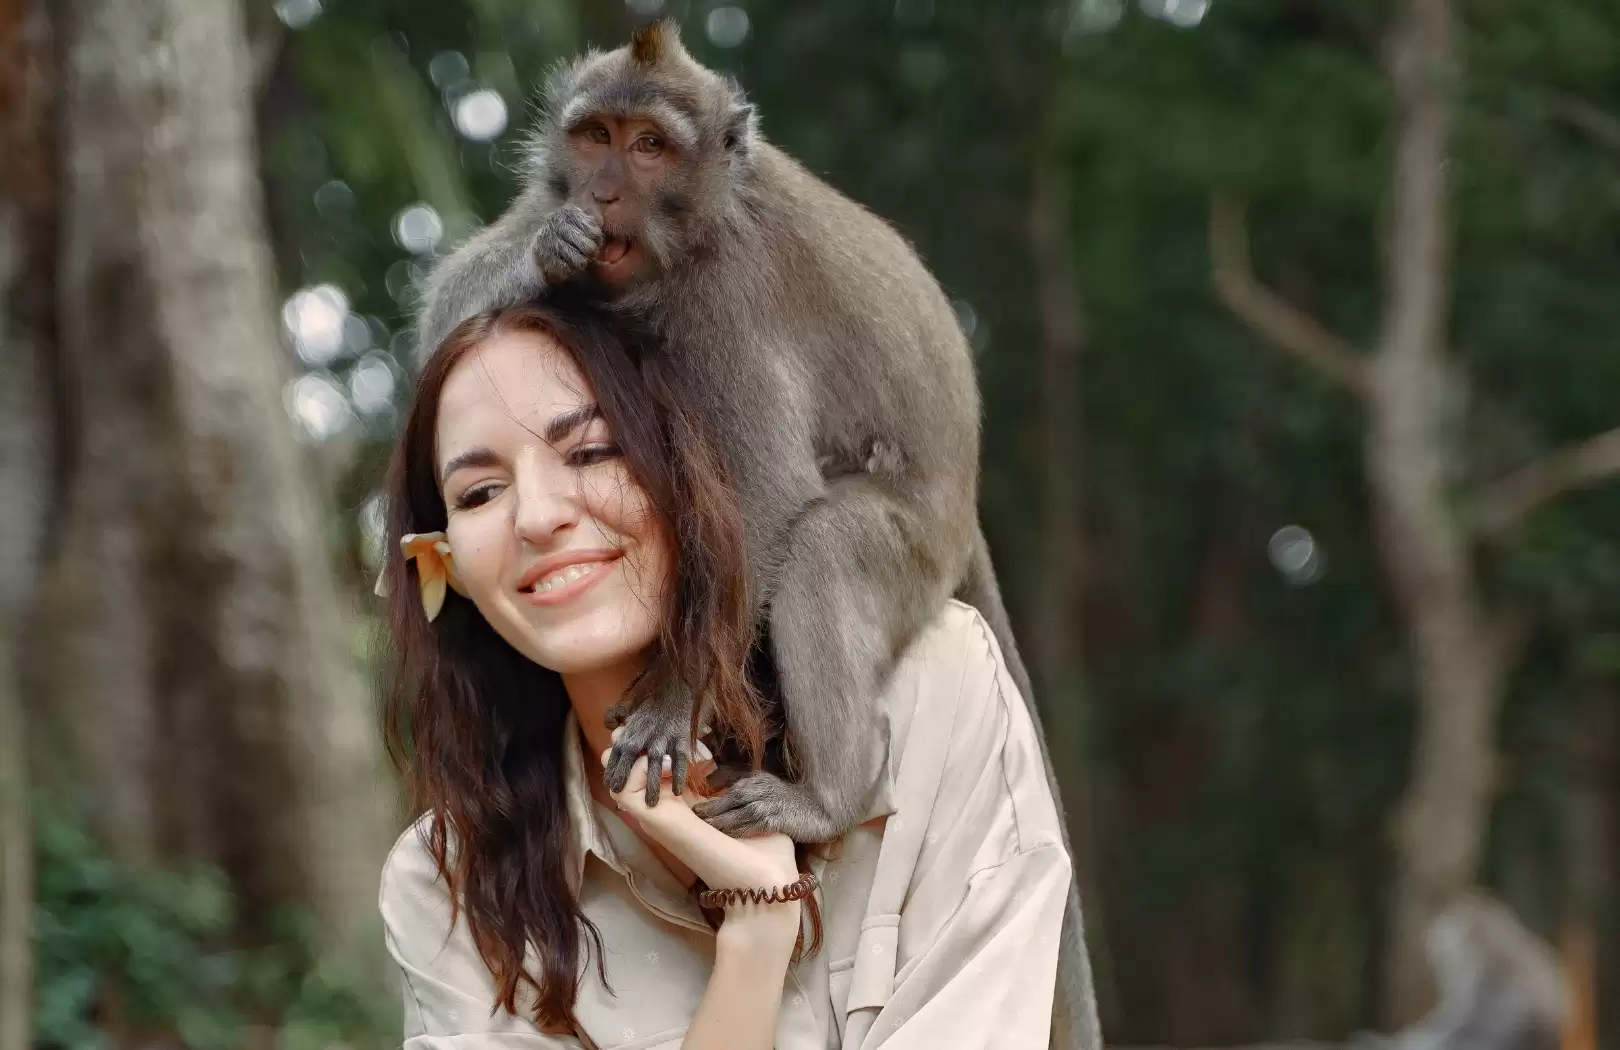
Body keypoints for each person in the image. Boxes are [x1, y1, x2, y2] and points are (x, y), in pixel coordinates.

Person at [376, 298, 1072, 1049]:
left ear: (695, 464)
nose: (537, 517)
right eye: (479, 493)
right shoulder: (445, 888)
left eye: (591, 452)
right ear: (441, 562)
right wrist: (756, 934)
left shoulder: (924, 691)